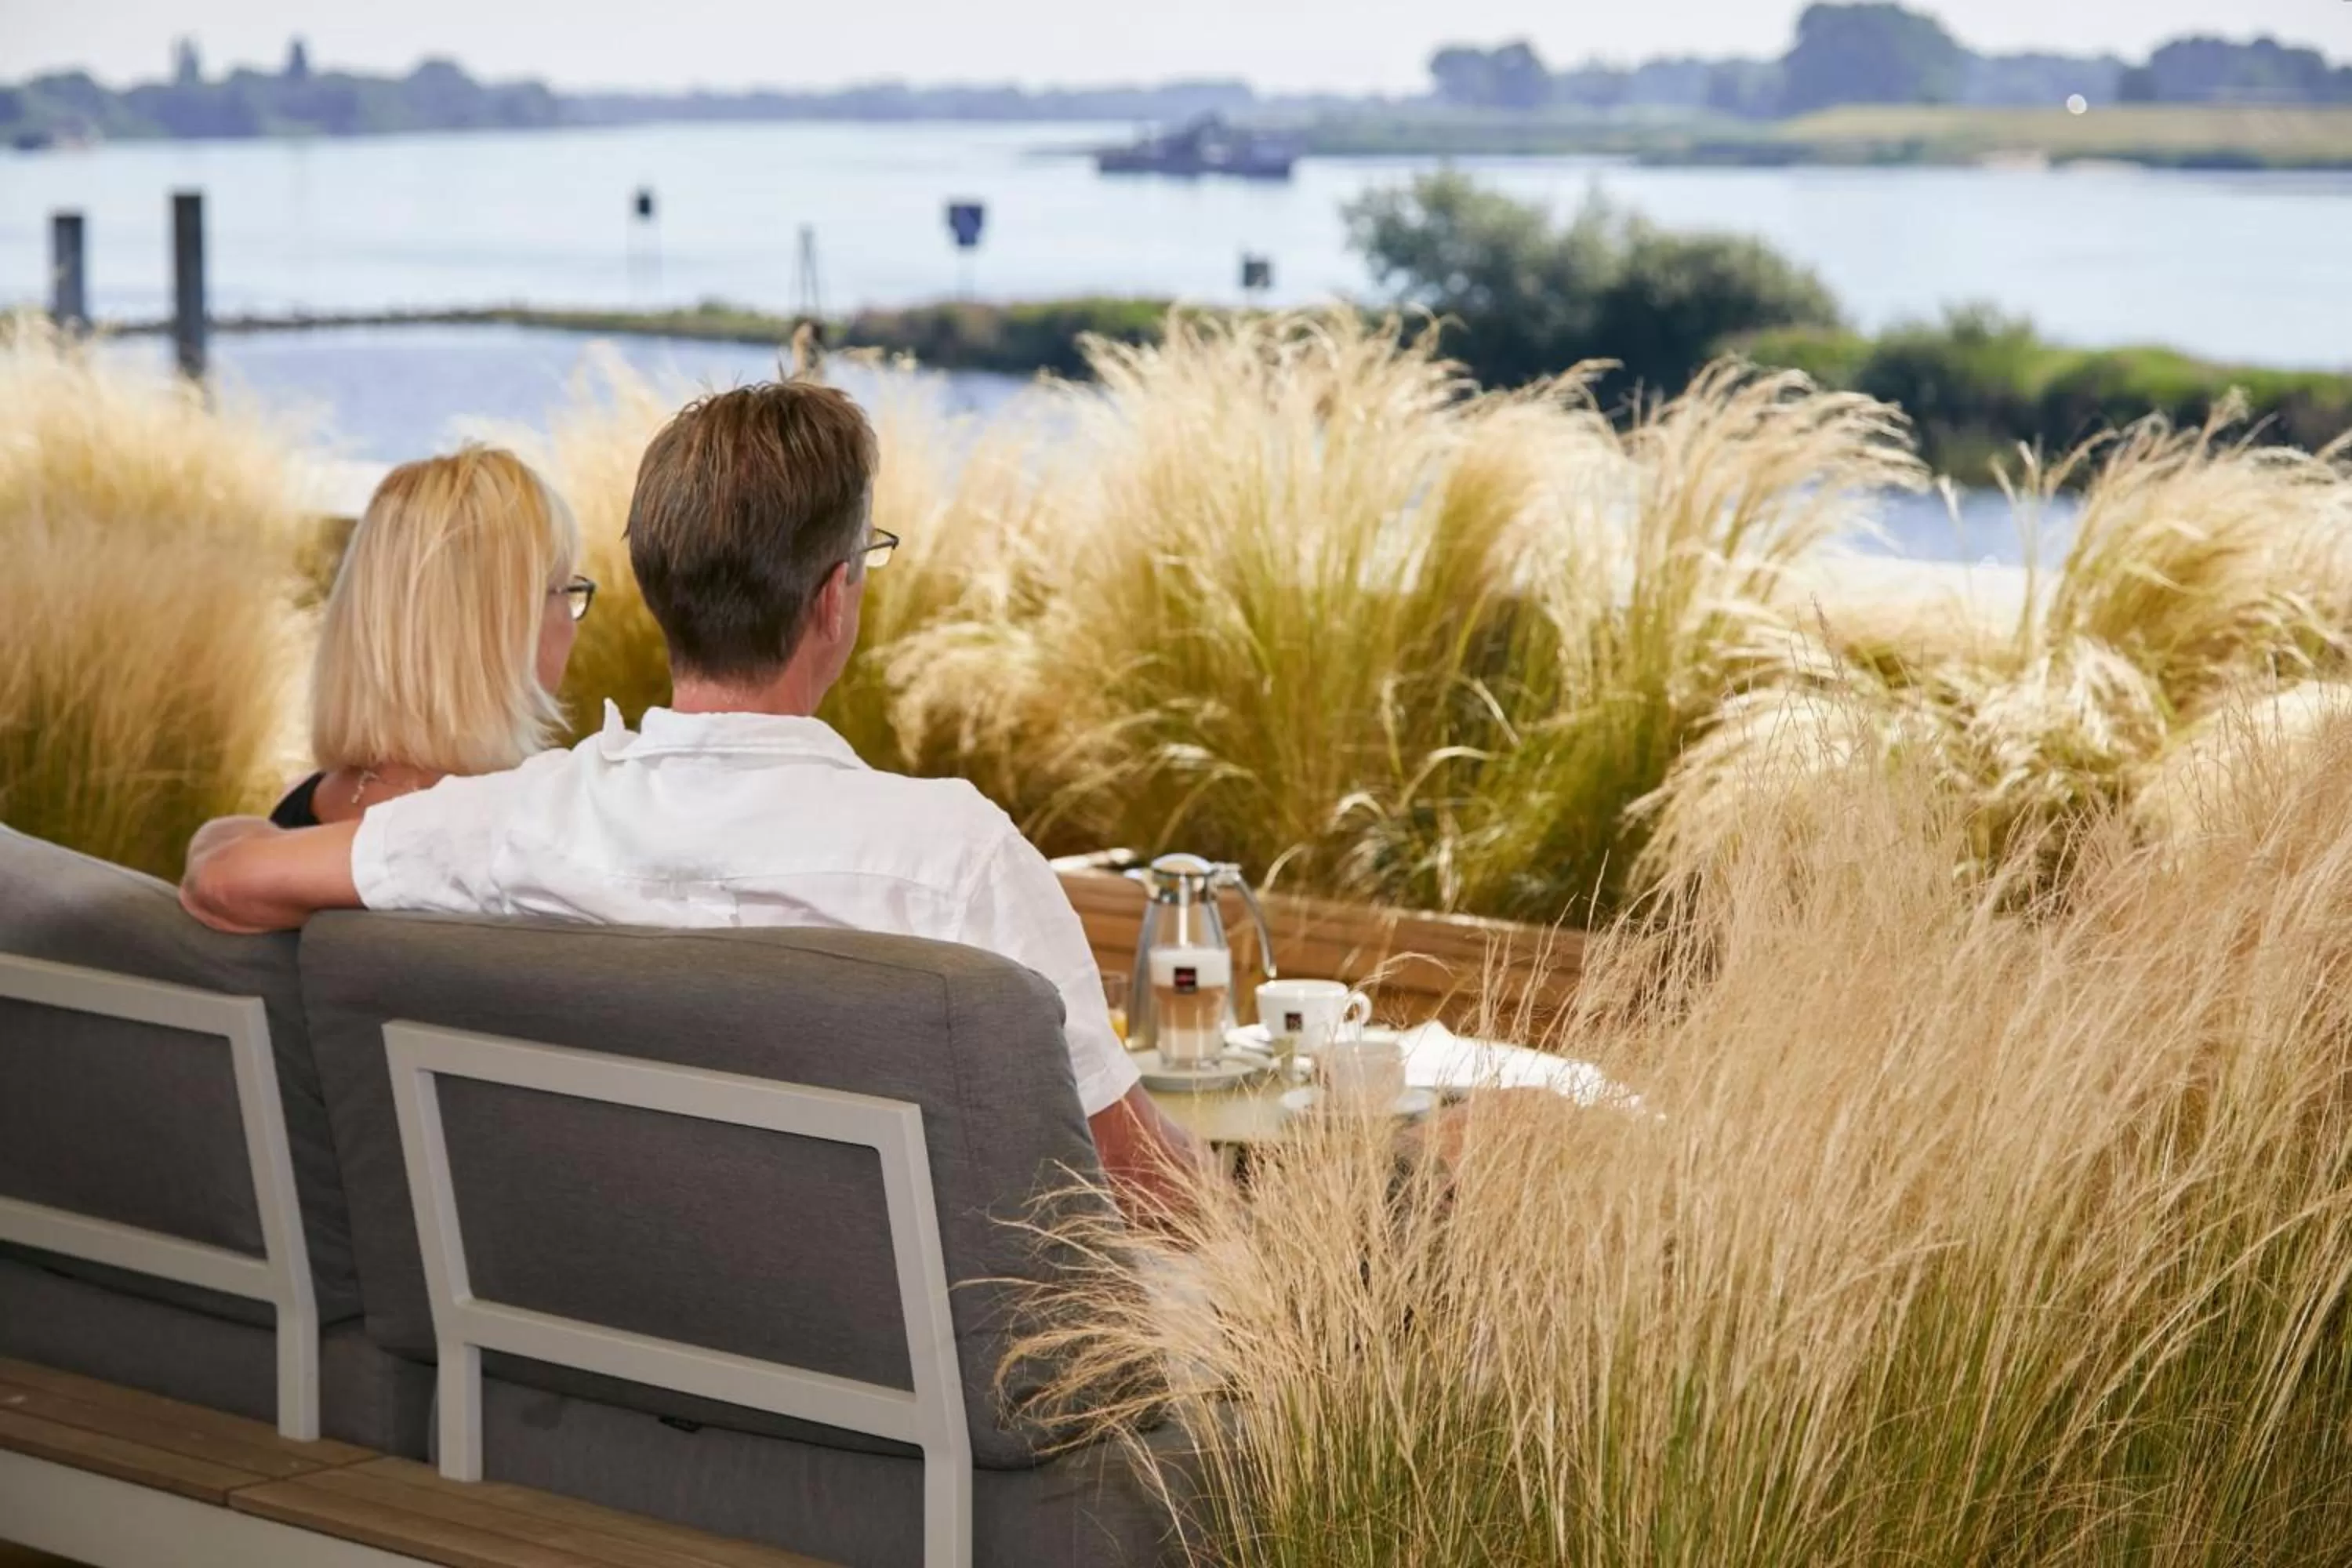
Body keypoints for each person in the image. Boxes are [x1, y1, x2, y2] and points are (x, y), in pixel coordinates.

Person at [181, 381, 1202, 1214]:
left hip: (630, 1322)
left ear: (661, 591)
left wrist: (244, 823)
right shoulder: (958, 859)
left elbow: (228, 879)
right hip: (923, 1376)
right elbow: (1141, 1182)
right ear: (833, 599)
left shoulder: (509, 824)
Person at [271, 445, 594, 828]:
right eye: (563, 589)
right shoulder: (512, 836)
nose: (572, 623)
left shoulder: (291, 809)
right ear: (500, 630)